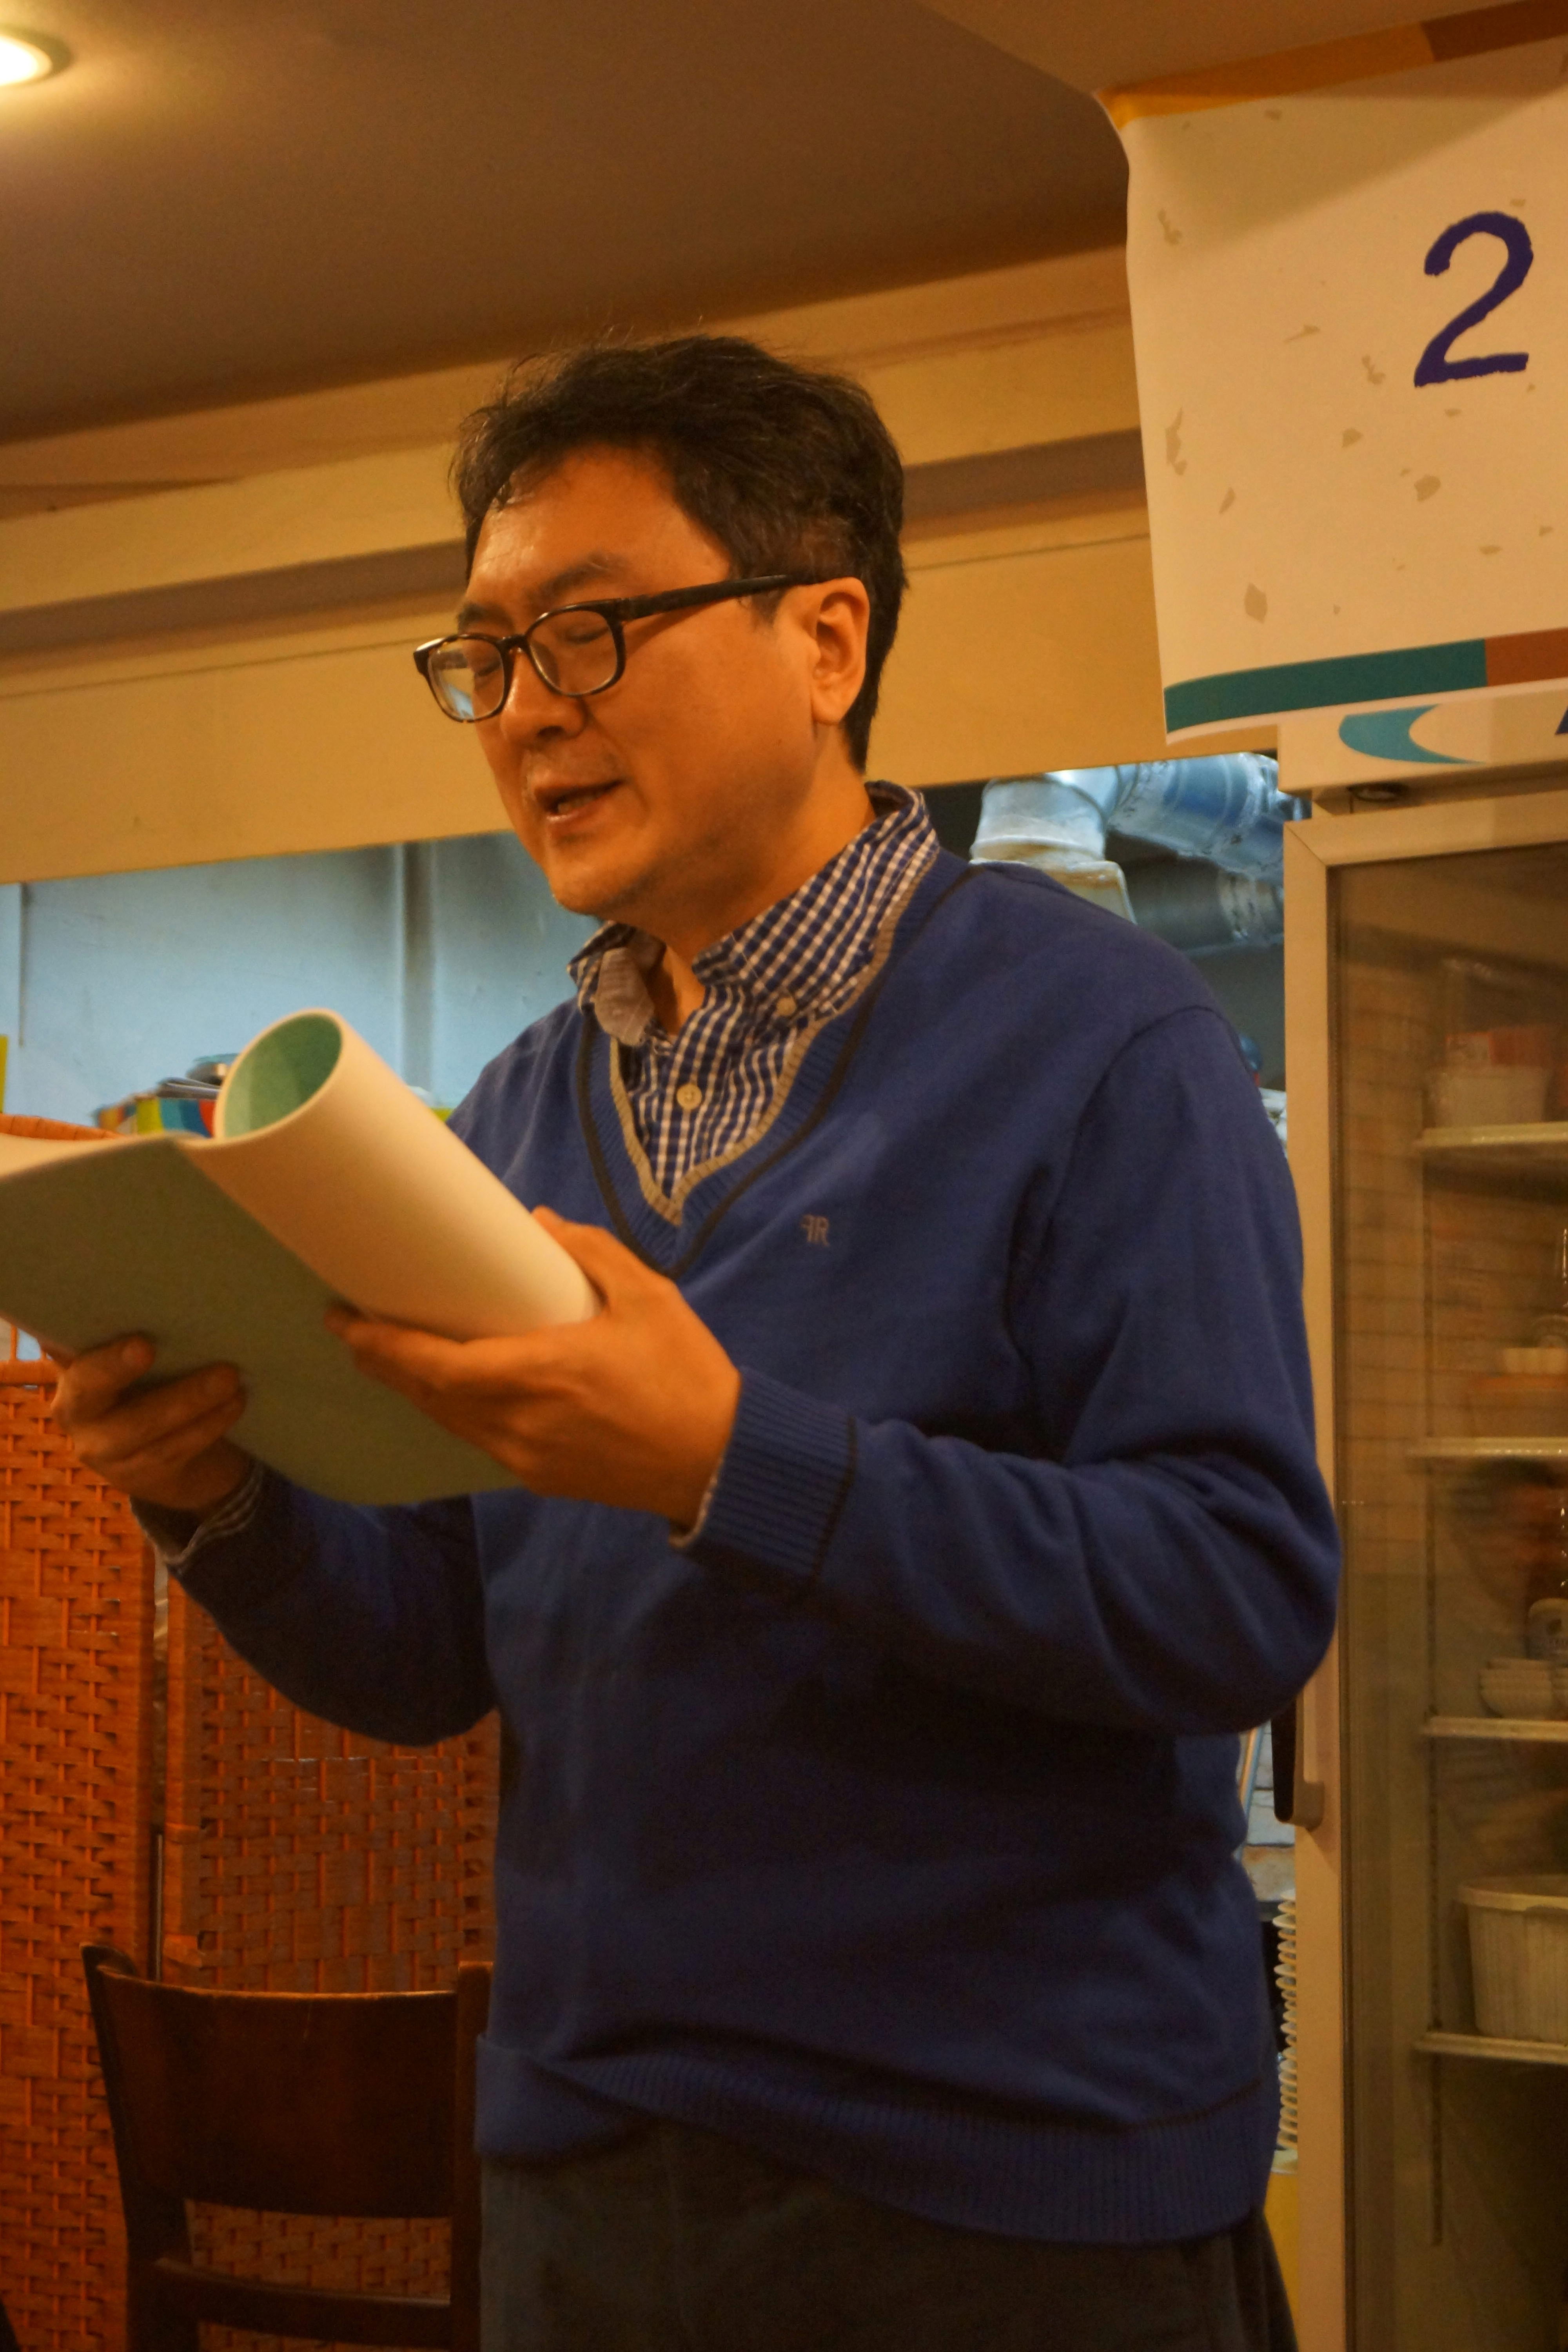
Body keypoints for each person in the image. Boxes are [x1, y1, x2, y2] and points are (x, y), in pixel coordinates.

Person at [53, 336, 1339, 2350]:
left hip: (1007, 2193)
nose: (525, 710)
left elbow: (1236, 1599)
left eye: (590, 631)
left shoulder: (1105, 1043)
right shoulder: (514, 1115)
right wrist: (216, 1491)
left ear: (826, 638)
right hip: (583, 2175)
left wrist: (727, 1460)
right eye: (487, 655)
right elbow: (432, 1652)